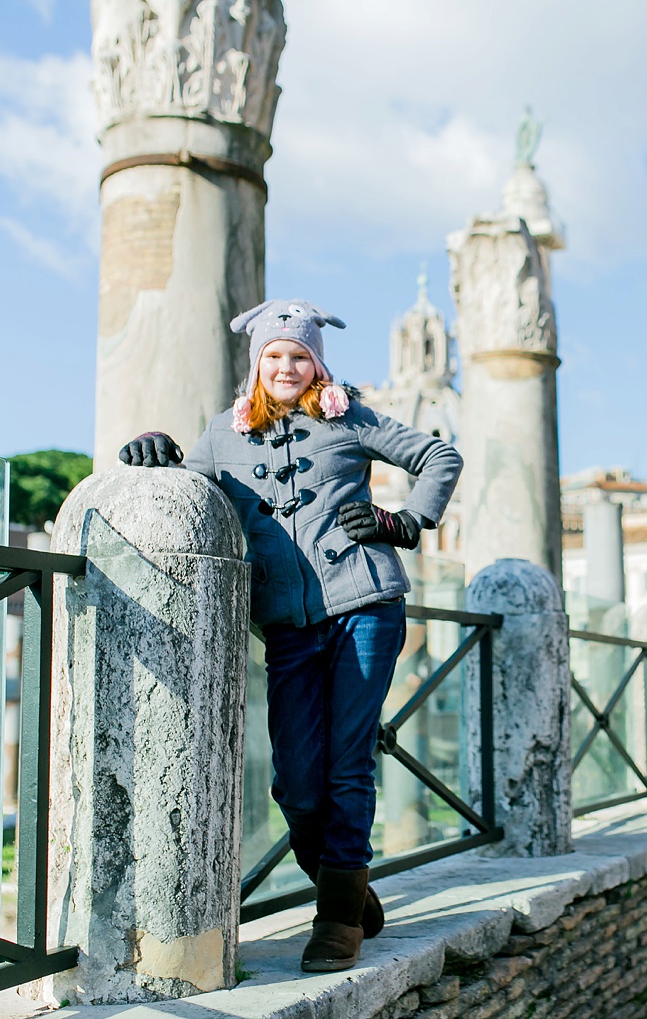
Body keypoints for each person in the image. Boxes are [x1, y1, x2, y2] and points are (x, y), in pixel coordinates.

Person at [119, 299, 462, 972]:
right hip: (286, 625)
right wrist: (152, 455)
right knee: (296, 785)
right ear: (257, 364)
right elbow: (190, 499)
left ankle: (337, 916)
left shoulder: (349, 414)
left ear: (316, 363)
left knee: (347, 762)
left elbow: (438, 455)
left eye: (299, 355)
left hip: (367, 605)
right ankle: (348, 881)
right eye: (274, 355)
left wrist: (404, 522)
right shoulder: (222, 435)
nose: (286, 365)